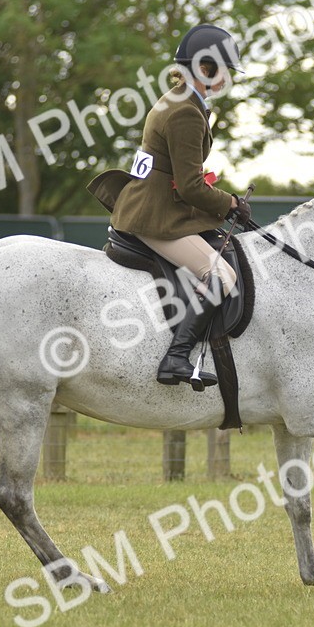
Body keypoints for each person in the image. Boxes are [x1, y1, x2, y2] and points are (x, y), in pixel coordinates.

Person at [88, 24, 252, 389]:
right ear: (207, 68)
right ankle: (176, 358)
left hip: (154, 203)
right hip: (155, 217)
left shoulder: (178, 99)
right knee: (222, 276)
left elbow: (178, 176)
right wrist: (230, 203)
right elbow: (191, 188)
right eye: (225, 71)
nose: (228, 80)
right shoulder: (186, 113)